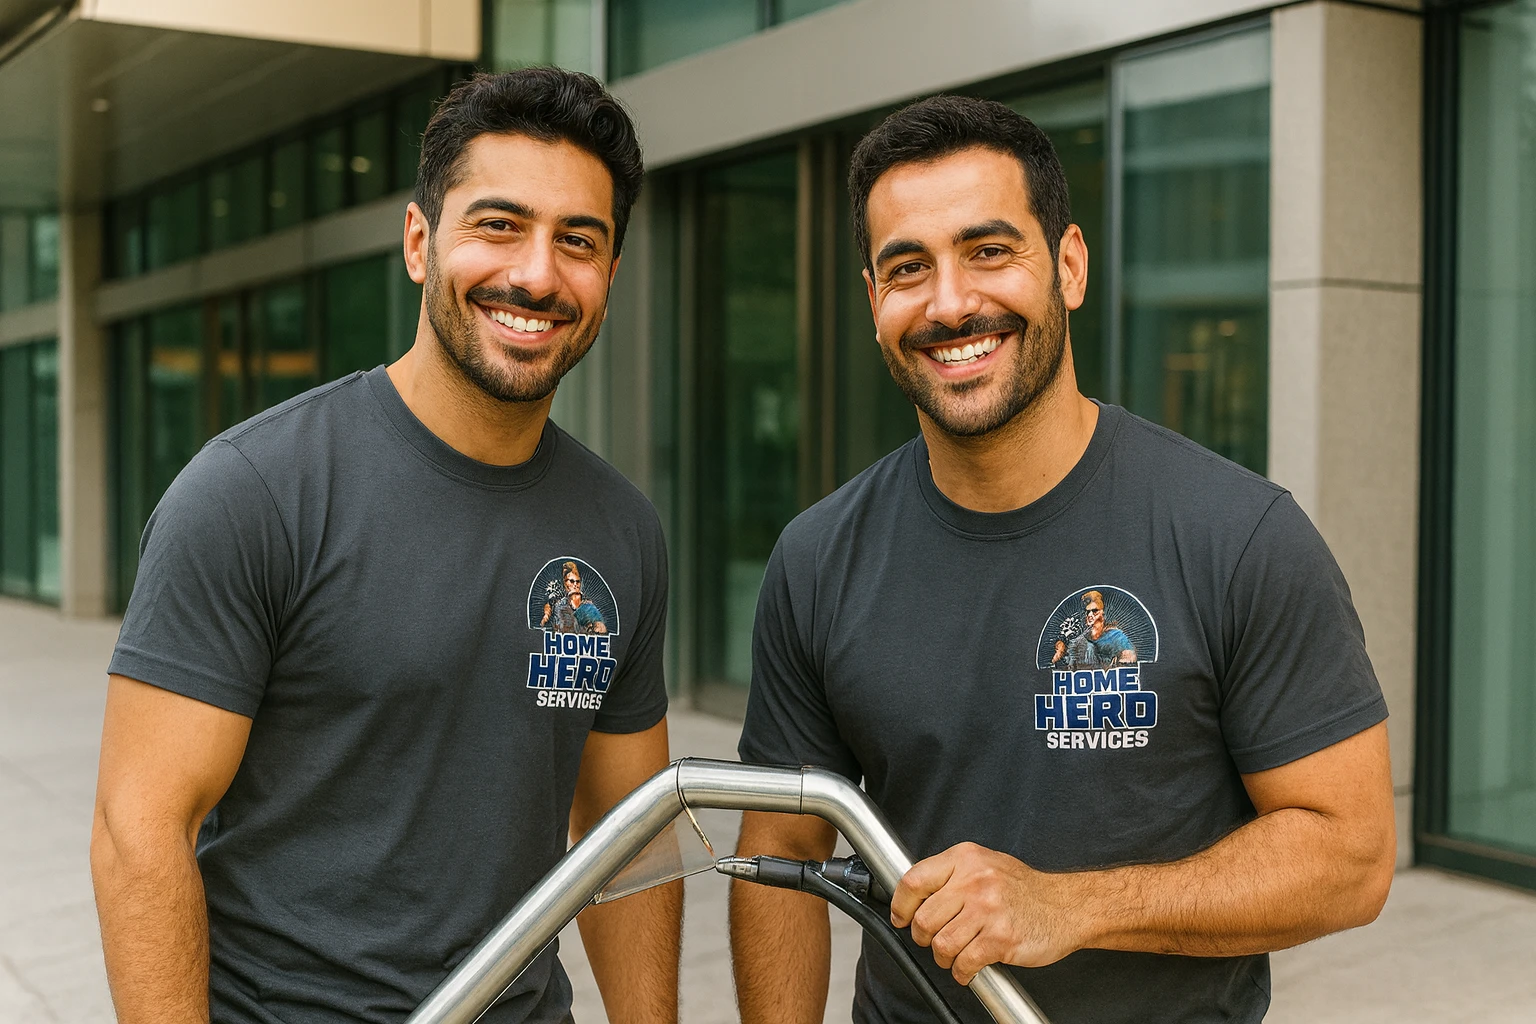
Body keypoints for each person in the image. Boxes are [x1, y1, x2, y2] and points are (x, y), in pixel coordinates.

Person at [730, 94, 1395, 1024]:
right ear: (876, 301)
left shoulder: (1240, 536)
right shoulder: (816, 558)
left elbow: (1352, 857)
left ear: (1069, 266)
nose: (952, 301)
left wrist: (1072, 905)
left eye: (990, 251)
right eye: (908, 268)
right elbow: (780, 859)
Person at [91, 69, 679, 1024]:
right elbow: (139, 830)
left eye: (579, 241)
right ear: (419, 242)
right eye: (497, 225)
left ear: (610, 276)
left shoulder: (620, 529)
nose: (537, 274)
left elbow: (631, 838)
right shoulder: (254, 492)